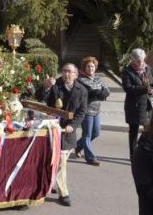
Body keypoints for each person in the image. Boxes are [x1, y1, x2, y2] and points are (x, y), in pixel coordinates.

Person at [38, 62, 87, 207]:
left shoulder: (82, 90)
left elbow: (82, 112)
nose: (66, 74)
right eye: (64, 71)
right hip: (51, 128)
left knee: (60, 162)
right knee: (51, 159)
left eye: (70, 72)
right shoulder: (55, 84)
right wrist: (46, 86)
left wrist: (73, 125)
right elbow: (40, 96)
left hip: (67, 132)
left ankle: (63, 193)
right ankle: (54, 186)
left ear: (76, 75)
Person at [123, 48, 153, 158]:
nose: (141, 63)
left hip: (147, 105)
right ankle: (133, 154)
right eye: (138, 61)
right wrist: (145, 89)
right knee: (133, 131)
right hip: (134, 105)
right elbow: (128, 88)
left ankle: (145, 151)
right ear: (132, 60)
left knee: (150, 130)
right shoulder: (127, 71)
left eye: (142, 60)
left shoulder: (147, 68)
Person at [74, 56, 110, 166]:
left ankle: (77, 146)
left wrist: (103, 93)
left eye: (92, 66)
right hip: (86, 110)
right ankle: (90, 157)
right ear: (84, 68)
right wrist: (96, 93)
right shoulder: (81, 79)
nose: (90, 68)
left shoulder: (98, 78)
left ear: (95, 68)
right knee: (87, 134)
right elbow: (88, 92)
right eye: (88, 66)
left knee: (96, 133)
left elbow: (106, 90)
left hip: (97, 110)